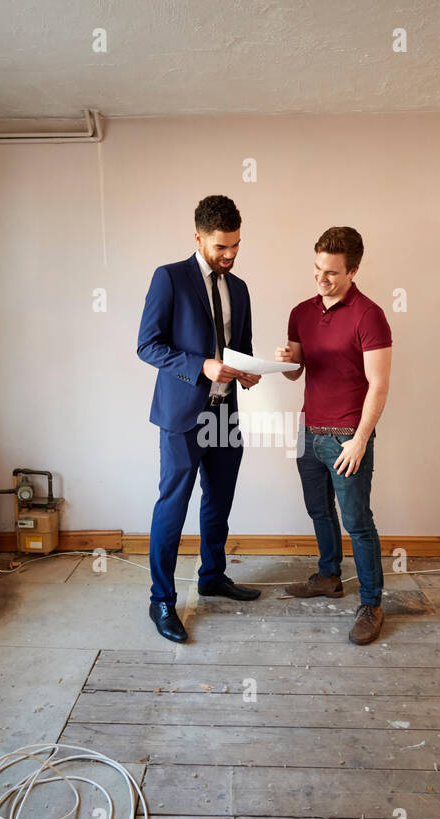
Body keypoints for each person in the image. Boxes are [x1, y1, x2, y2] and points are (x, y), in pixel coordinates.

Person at [136, 195, 263, 643]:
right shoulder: (168, 278)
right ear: (198, 238)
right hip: (181, 416)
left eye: (236, 246)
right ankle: (162, 600)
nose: (229, 256)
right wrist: (200, 365)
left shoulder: (240, 288)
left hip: (225, 411)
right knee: (173, 506)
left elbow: (239, 345)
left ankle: (212, 576)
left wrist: (249, 371)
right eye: (220, 248)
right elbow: (147, 345)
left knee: (219, 500)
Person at [276, 226, 392, 645]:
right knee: (318, 511)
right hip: (308, 431)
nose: (321, 278)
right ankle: (328, 576)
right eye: (317, 268)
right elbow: (296, 372)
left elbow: (378, 385)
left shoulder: (369, 315)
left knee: (358, 522)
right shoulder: (301, 312)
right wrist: (288, 360)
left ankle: (372, 603)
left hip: (347, 435)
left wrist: (361, 439)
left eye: (331, 272)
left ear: (354, 270)